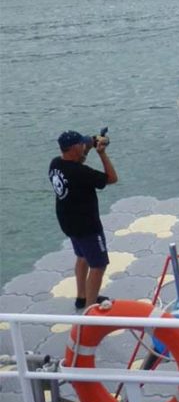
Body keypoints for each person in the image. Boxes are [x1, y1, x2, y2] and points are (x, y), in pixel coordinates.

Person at [50, 130, 118, 310]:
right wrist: (102, 153)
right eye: (81, 145)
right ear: (73, 148)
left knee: (82, 257)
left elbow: (81, 153)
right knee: (99, 265)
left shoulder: (55, 164)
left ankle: (82, 296)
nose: (83, 146)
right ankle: (90, 309)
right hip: (87, 226)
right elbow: (111, 178)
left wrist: (90, 144)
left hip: (68, 222)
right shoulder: (80, 172)